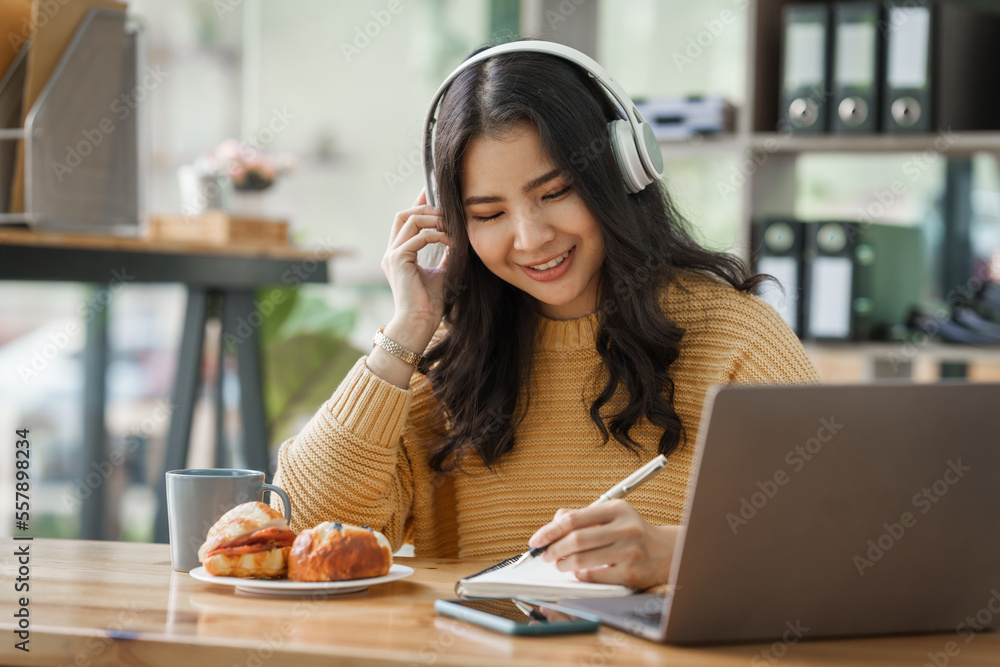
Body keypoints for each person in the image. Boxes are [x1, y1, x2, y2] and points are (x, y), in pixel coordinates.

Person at [271, 41, 819, 591]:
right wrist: (405, 330)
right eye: (489, 213)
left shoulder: (735, 339)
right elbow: (303, 529)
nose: (531, 239)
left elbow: (837, 543)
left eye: (555, 192)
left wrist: (672, 555)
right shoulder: (441, 357)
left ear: (623, 169)